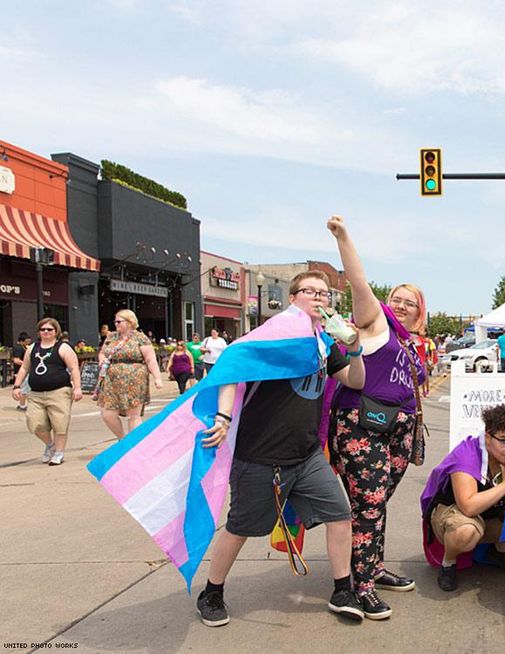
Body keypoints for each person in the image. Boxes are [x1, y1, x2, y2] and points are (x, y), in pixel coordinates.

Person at [196, 270, 368, 627]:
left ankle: (342, 589)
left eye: (325, 294)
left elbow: (356, 380)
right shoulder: (273, 335)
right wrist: (223, 418)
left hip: (306, 456)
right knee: (241, 527)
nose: (320, 298)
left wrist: (354, 350)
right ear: (293, 298)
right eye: (311, 291)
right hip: (260, 457)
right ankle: (212, 591)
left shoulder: (323, 344)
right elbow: (232, 366)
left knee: (339, 514)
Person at [327, 214, 427, 619]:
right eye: (398, 298)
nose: (402, 305)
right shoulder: (376, 322)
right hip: (361, 424)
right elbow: (358, 281)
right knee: (368, 504)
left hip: (398, 430)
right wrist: (344, 236)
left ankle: (372, 566)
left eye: (411, 302)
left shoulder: (412, 343)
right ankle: (361, 585)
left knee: (376, 503)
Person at [421, 404, 505, 591]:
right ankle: (449, 563)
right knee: (466, 531)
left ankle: (500, 551)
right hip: (453, 514)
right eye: (503, 441)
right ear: (488, 438)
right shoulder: (467, 455)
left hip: (489, 514)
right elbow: (468, 506)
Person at [11, 318, 82, 465]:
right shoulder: (32, 348)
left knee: (60, 424)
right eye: (43, 329)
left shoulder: (63, 347)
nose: (46, 332)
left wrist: (77, 388)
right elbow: (24, 368)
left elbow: (74, 368)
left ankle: (59, 453)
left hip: (59, 391)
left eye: (49, 329)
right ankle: (50, 445)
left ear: (56, 331)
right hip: (36, 393)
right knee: (35, 423)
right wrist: (17, 386)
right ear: (39, 332)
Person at [96, 309, 163, 440]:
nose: (116, 324)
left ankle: (133, 444)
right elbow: (102, 352)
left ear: (130, 322)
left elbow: (150, 359)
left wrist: (157, 378)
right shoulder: (111, 337)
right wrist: (101, 358)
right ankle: (122, 440)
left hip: (135, 379)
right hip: (111, 380)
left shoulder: (140, 338)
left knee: (133, 415)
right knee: (107, 413)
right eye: (115, 321)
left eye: (119, 321)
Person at [11, 332, 31, 411]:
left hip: (25, 371)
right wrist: (27, 364)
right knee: (24, 389)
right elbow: (16, 360)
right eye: (27, 341)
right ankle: (22, 405)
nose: (28, 343)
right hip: (21, 372)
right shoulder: (18, 348)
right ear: (22, 341)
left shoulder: (25, 347)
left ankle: (22, 405)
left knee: (26, 389)